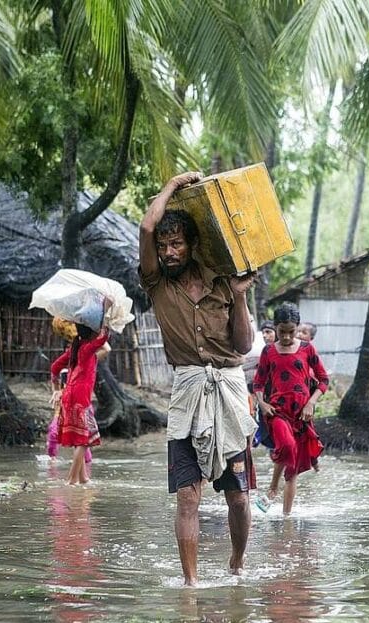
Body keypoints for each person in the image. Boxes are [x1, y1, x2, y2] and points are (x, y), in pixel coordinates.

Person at [139, 171, 258, 586]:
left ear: (191, 246)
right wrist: (171, 186)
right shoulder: (156, 283)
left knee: (238, 498)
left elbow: (243, 347)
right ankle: (190, 584)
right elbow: (147, 225)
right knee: (188, 496)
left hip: (228, 391)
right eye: (164, 246)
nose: (169, 251)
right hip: (187, 396)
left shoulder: (223, 283)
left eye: (177, 244)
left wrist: (241, 296)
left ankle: (237, 566)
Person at [253, 302, 328, 515]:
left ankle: (286, 517)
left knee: (293, 466)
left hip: (302, 413)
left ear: (297, 328)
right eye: (281, 332)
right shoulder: (268, 351)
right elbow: (258, 383)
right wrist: (262, 402)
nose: (285, 337)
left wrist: (311, 402)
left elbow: (323, 379)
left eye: (291, 332)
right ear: (275, 328)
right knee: (287, 446)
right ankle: (273, 488)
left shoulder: (307, 349)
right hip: (277, 412)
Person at [47, 317, 110, 474]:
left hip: (70, 396)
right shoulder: (87, 349)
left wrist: (56, 389)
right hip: (80, 398)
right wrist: (106, 318)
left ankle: (82, 478)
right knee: (83, 441)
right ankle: (72, 479)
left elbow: (54, 366)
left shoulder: (76, 348)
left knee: (79, 438)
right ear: (91, 334)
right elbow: (103, 339)